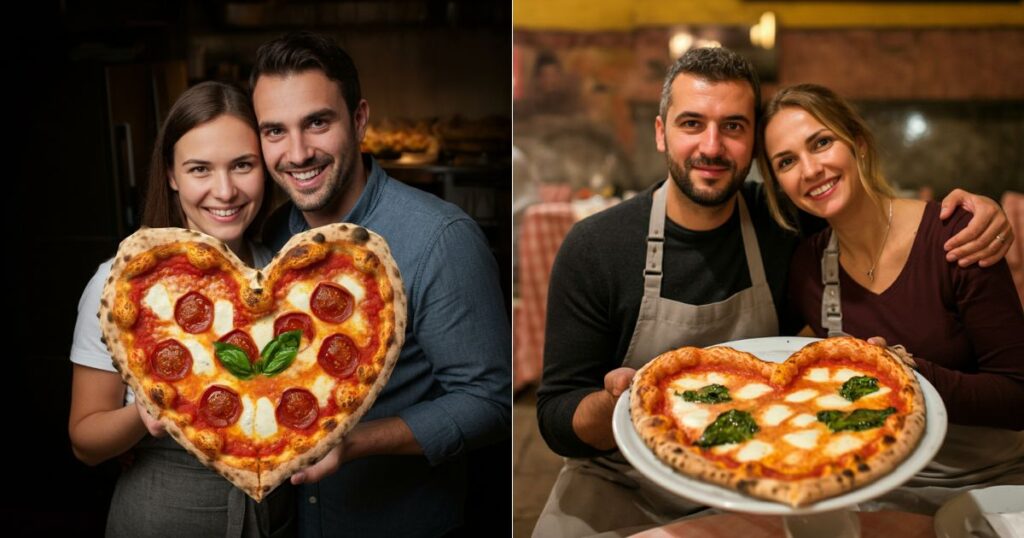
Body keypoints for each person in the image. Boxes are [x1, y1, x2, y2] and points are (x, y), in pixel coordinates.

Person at [534, 46, 1012, 537]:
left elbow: (863, 209)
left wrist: (978, 209)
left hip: (757, 473)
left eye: (734, 126)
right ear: (660, 132)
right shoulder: (595, 246)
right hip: (619, 478)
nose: (712, 147)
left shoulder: (784, 224)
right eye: (692, 124)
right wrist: (619, 402)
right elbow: (554, 417)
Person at [250, 32, 510, 537]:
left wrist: (356, 441)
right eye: (275, 131)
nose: (297, 153)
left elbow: (491, 399)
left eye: (317, 123)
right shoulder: (270, 236)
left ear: (359, 120)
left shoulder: (440, 238)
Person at [759, 83, 1024, 514]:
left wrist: (911, 375)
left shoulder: (957, 235)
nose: (809, 170)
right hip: (871, 484)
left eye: (821, 143)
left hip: (985, 485)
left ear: (859, 144)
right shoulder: (808, 267)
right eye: (786, 161)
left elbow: (1017, 396)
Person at [68, 81, 293, 537]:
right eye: (199, 169)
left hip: (279, 519)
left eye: (242, 165)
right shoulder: (121, 285)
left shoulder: (289, 281)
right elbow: (85, 442)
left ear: (265, 168)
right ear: (172, 175)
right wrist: (143, 415)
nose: (224, 191)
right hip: (163, 515)